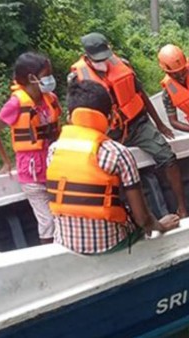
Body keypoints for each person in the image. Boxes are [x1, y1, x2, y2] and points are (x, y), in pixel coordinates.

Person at [47, 80, 180, 254]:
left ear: (69, 117)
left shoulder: (54, 150)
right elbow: (143, 219)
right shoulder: (117, 153)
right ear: (109, 118)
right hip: (109, 244)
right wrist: (161, 226)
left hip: (65, 242)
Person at [69, 32, 188, 217]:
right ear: (87, 57)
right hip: (108, 132)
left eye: (105, 57)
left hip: (137, 124)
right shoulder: (78, 78)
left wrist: (159, 124)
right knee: (110, 171)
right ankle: (129, 216)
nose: (103, 62)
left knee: (166, 155)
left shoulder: (123, 65)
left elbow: (141, 96)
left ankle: (182, 207)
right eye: (97, 59)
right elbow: (77, 114)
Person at [0, 52, 60, 244]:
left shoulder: (50, 98)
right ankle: (48, 255)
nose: (50, 78)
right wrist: (6, 162)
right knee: (48, 221)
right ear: (31, 78)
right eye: (47, 74)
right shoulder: (16, 104)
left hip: (54, 165)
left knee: (62, 214)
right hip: (31, 171)